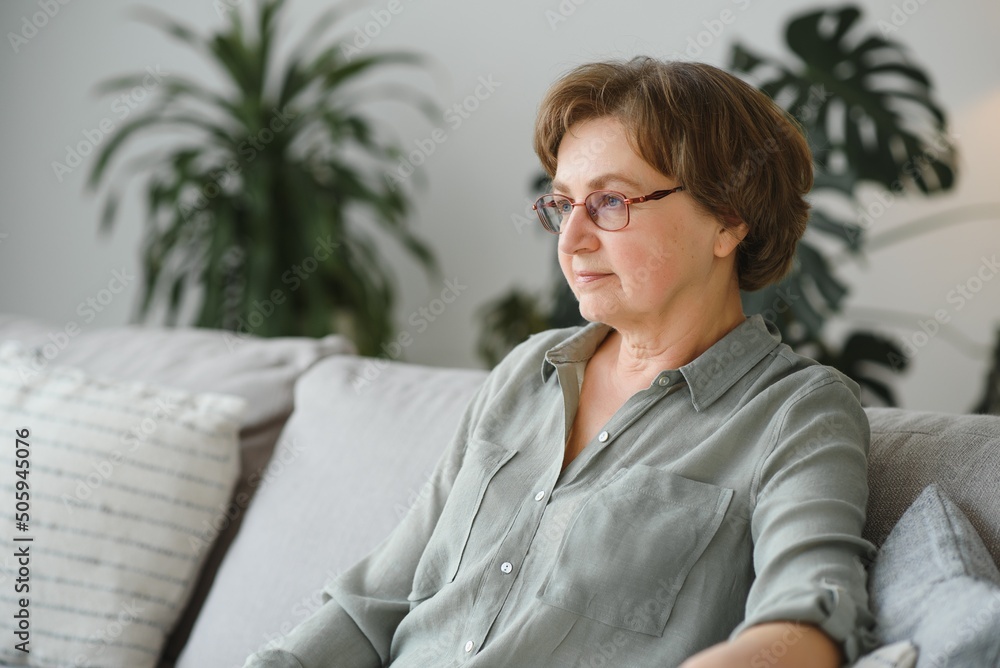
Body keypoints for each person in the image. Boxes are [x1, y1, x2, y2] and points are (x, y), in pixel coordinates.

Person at [244, 57, 876, 668]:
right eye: (562, 204)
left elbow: (810, 618)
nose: (572, 240)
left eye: (610, 203)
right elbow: (371, 605)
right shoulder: (527, 371)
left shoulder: (797, 412)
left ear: (728, 221)